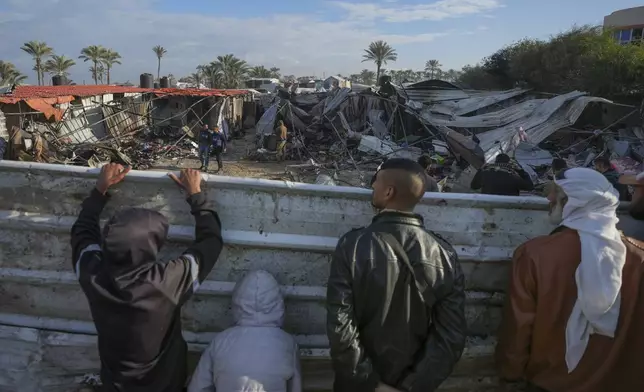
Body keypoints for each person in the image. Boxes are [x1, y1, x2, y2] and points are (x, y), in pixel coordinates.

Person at [71, 164, 224, 392]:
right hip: (166, 386)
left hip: (116, 385)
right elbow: (210, 242)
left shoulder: (92, 273)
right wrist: (195, 195)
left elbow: (82, 232)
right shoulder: (166, 283)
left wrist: (99, 190)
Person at [495, 167, 644, 392]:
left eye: (556, 193)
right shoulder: (639, 258)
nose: (548, 198)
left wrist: (510, 375)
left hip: (550, 384)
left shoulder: (534, 255)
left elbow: (518, 326)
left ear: (573, 201)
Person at [326, 158, 466, 392]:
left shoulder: (352, 245)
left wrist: (371, 383)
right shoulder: (445, 255)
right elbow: (451, 337)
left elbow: (340, 325)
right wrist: (412, 386)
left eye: (376, 182)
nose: (372, 187)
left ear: (389, 191)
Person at [188, 270, 301, 392]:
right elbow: (295, 388)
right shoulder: (288, 343)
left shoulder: (220, 341)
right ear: (278, 304)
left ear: (237, 303)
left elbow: (198, 388)